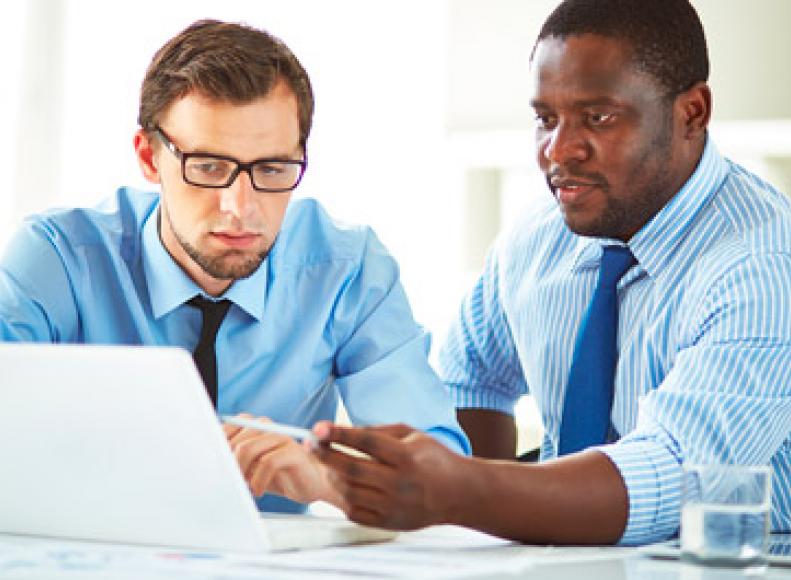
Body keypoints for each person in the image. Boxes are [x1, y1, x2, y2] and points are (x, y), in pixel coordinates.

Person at [315, 0, 791, 545]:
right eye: (545, 119)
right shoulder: (534, 242)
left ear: (692, 113)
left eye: (598, 118)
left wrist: (462, 490)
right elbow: (472, 379)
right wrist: (470, 538)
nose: (558, 151)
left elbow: (674, 476)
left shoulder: (765, 265)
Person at [0, 19, 469, 514]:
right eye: (207, 167)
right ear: (148, 157)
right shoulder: (59, 259)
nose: (239, 207)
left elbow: (437, 475)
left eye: (270, 169)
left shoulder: (348, 273)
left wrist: (327, 479)